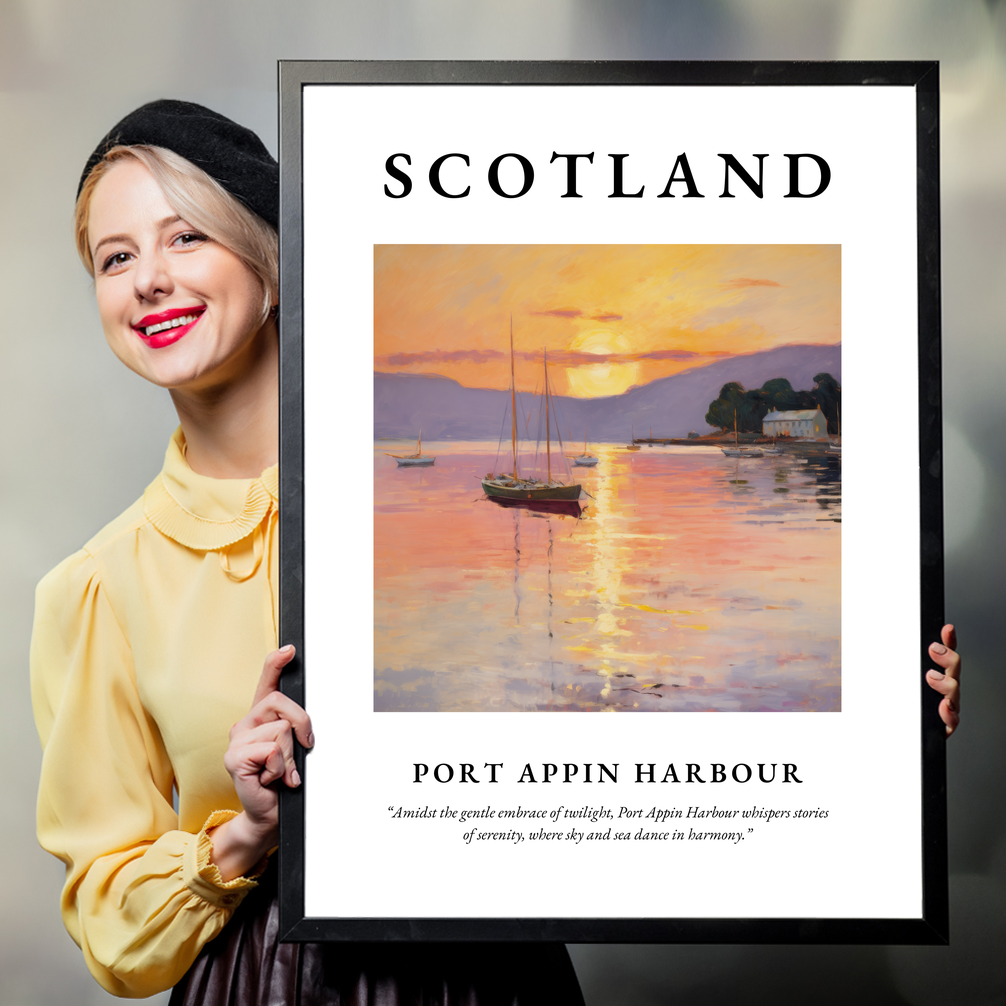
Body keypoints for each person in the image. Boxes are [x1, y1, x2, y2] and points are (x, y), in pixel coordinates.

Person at [30, 100, 585, 1004]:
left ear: (273, 264)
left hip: (493, 973)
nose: (148, 281)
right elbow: (110, 924)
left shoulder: (432, 504)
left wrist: (891, 710)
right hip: (263, 982)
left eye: (186, 238)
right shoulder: (97, 587)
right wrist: (244, 832)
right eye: (116, 257)